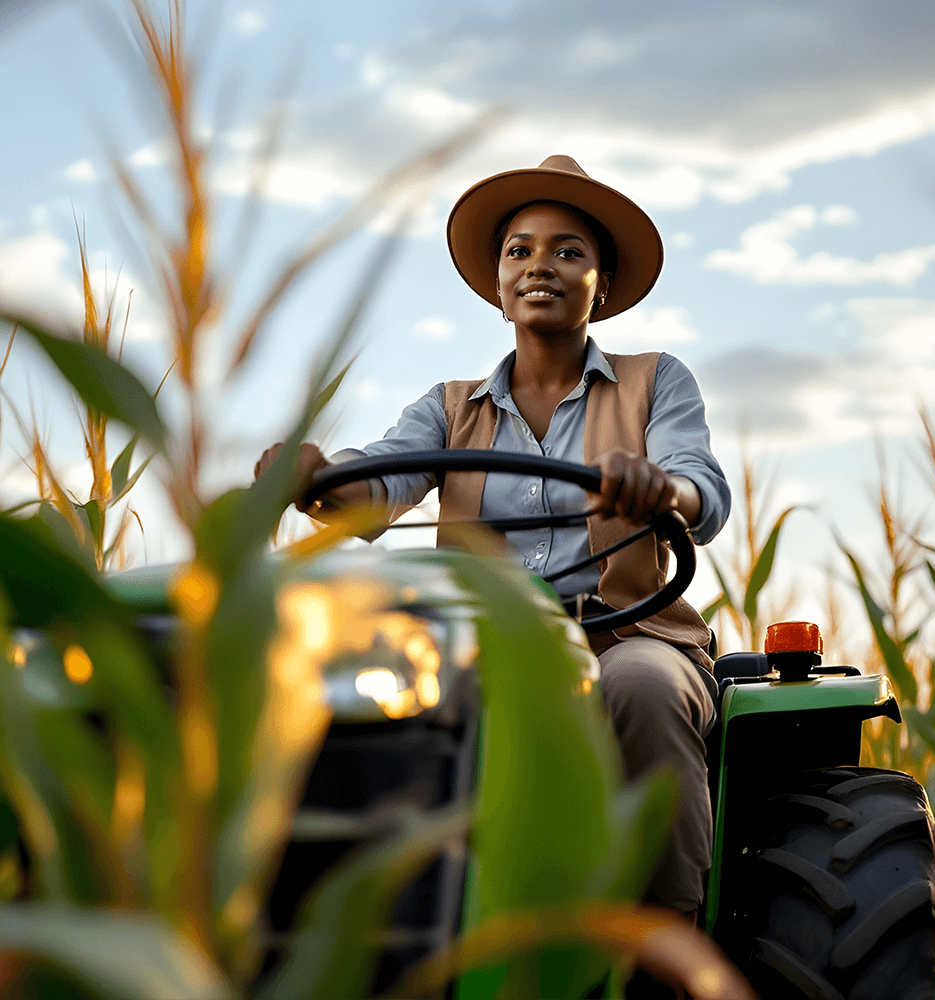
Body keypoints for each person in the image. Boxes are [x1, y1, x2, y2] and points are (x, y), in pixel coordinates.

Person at [255, 155, 731, 920]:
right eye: (520, 249)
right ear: (499, 283)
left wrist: (658, 488)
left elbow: (700, 488)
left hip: (624, 636)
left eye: (569, 250)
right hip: (488, 647)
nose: (541, 264)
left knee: (640, 687)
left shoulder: (655, 381)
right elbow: (380, 478)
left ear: (600, 285)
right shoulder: (448, 408)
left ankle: (667, 942)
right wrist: (317, 475)